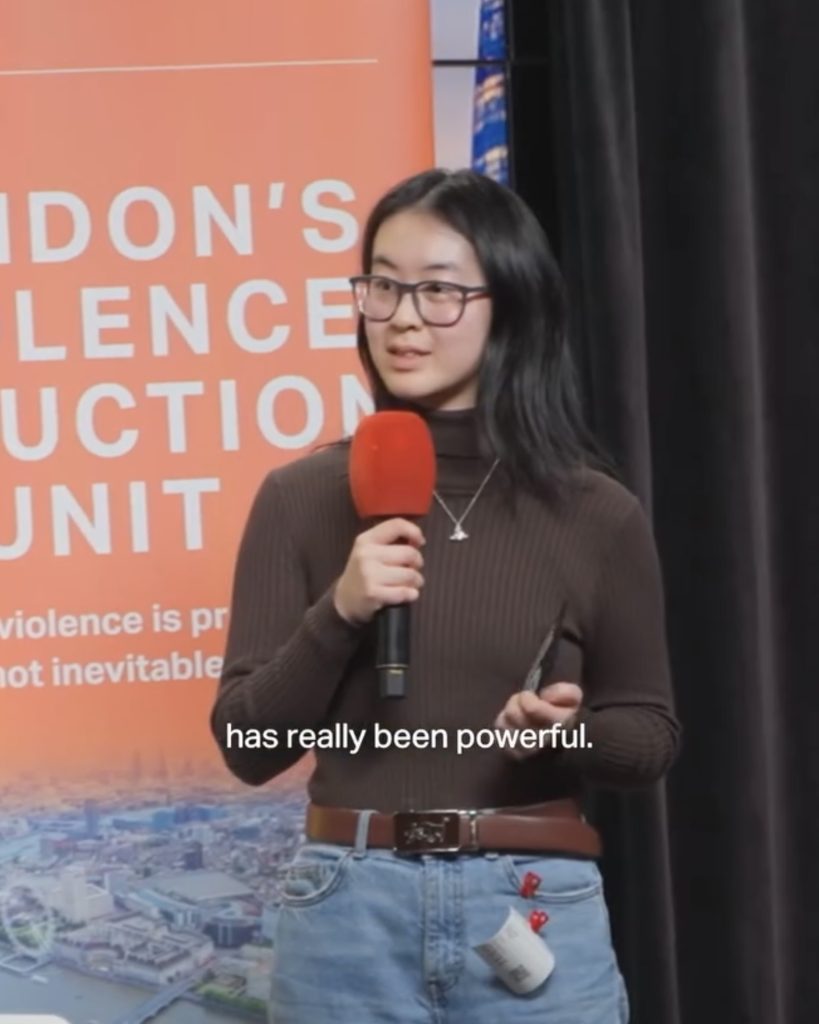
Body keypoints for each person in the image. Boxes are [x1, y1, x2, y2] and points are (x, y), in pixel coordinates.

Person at [210, 168, 680, 1024]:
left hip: (532, 901)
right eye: (383, 285)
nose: (402, 317)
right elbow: (247, 745)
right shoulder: (299, 497)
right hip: (346, 910)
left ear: (510, 303)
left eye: (438, 290)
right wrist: (339, 613)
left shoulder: (594, 511)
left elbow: (649, 737)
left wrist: (566, 732)